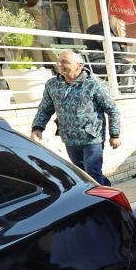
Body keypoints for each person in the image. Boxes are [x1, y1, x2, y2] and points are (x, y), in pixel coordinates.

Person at [31, 50, 121, 186]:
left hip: (92, 138)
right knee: (83, 175)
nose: (59, 64)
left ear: (80, 65)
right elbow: (45, 108)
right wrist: (37, 128)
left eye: (65, 62)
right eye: (59, 61)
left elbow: (112, 109)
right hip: (69, 138)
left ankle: (101, 203)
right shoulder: (53, 85)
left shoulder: (93, 84)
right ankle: (110, 193)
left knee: (93, 175)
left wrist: (114, 134)